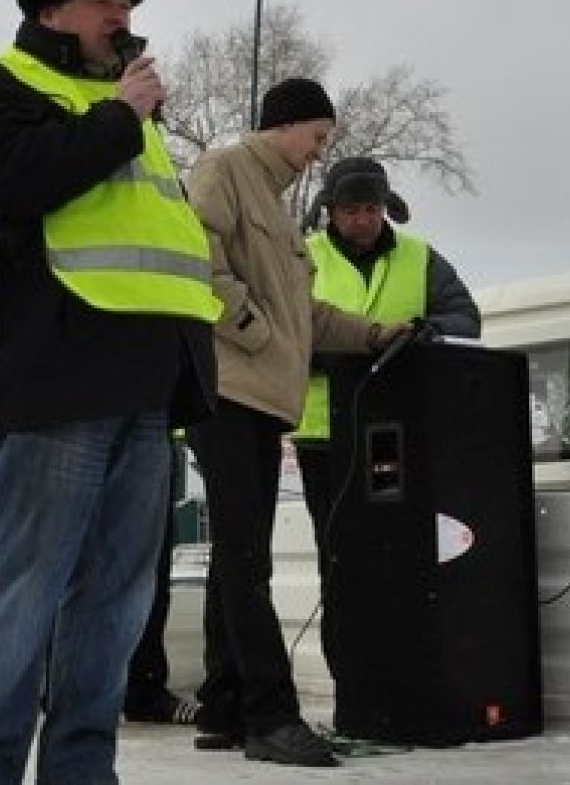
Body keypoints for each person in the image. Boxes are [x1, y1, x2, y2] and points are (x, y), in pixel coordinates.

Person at [0, 0, 220, 785]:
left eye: (129, 1)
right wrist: (119, 117)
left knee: (116, 602)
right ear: (53, 7)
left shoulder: (135, 117)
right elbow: (14, 185)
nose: (122, 16)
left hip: (150, 384)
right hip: (61, 382)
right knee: (23, 595)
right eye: (105, 0)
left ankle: (82, 770)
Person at [184, 79, 409, 770]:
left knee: (234, 557)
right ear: (284, 127)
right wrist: (253, 332)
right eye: (317, 136)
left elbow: (305, 316)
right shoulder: (223, 170)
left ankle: (224, 706)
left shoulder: (281, 212)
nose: (320, 153)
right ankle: (270, 719)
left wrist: (374, 335)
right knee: (249, 559)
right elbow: (196, 259)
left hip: (260, 401)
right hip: (227, 393)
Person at [293, 155, 481, 678]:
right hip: (325, 438)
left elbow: (465, 318)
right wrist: (326, 354)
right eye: (351, 209)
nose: (362, 219)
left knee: (402, 560)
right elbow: (280, 332)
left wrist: (425, 332)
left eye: (372, 208)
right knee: (341, 563)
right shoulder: (300, 257)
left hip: (402, 436)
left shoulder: (422, 259)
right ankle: (352, 682)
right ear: (329, 211)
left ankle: (404, 676)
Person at [122, 436, 198, 726]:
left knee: (150, 572)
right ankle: (66, 690)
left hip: (152, 419)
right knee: (79, 568)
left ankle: (144, 687)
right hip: (81, 416)